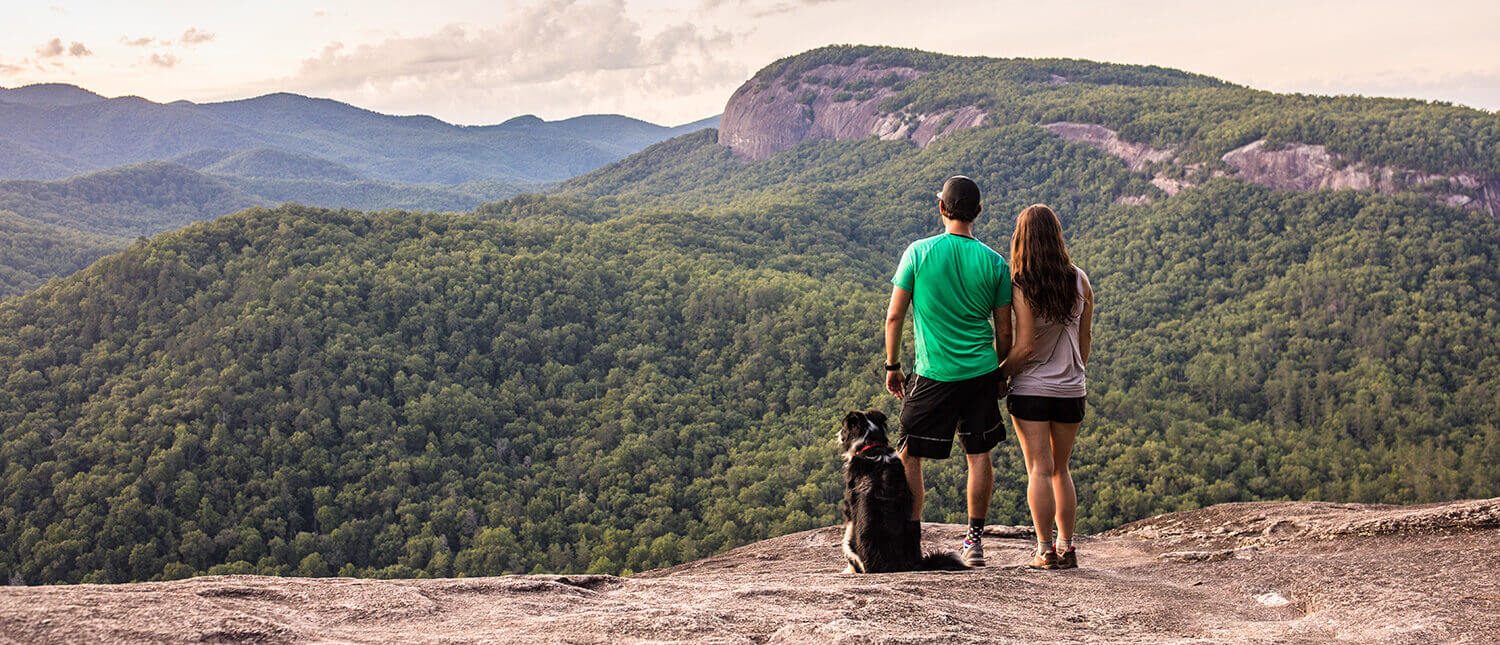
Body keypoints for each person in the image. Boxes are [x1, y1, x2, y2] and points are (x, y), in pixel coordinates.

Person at [884, 175, 1012, 567]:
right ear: (978, 212)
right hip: (980, 374)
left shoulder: (918, 253)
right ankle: (974, 543)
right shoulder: (994, 262)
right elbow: (1004, 330)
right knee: (978, 454)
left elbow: (894, 316)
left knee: (909, 453)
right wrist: (1001, 374)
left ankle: (910, 541)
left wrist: (892, 365)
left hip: (933, 374)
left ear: (942, 208)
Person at [1001, 204, 1093, 570]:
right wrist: (1075, 370)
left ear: (1022, 240)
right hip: (1072, 389)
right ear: (1056, 235)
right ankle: (1068, 547)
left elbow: (1023, 347)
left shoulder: (1021, 284)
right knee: (1061, 469)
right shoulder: (1079, 279)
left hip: (1031, 390)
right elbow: (1085, 338)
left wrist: (1001, 375)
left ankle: (1044, 549)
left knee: (1039, 469)